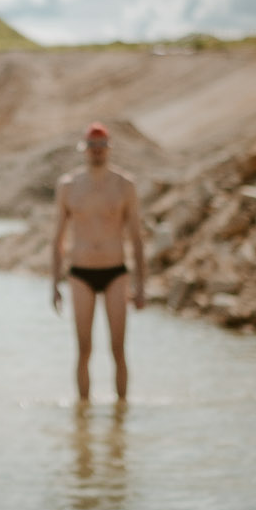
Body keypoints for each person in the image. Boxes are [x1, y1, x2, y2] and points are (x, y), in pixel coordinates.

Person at [50, 122, 147, 403]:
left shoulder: (124, 185)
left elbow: (137, 238)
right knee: (83, 349)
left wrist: (141, 286)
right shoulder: (68, 186)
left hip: (116, 271)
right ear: (84, 149)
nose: (97, 152)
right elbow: (57, 238)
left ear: (109, 149)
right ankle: (83, 413)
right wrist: (54, 284)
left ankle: (122, 413)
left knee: (118, 348)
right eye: (92, 147)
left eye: (101, 146)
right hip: (80, 273)